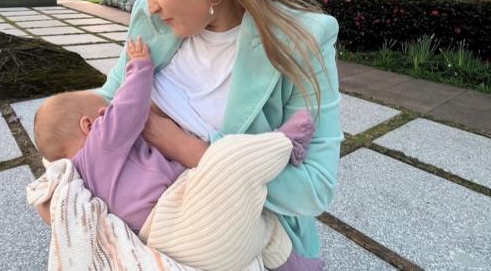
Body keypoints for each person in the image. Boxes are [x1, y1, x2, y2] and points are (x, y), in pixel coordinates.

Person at [92, 0, 343, 269]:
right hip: (142, 235)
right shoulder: (150, 19)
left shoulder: (302, 42)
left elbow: (314, 188)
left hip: (240, 244)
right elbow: (106, 102)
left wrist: (183, 146)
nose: (150, 3)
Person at [33, 37, 315, 269]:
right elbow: (129, 106)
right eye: (104, 112)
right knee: (225, 158)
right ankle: (286, 143)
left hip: (163, 241)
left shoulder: (79, 181)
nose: (109, 115)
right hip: (175, 219)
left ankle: (297, 266)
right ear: (89, 125)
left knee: (262, 227)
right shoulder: (98, 145)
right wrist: (139, 66)